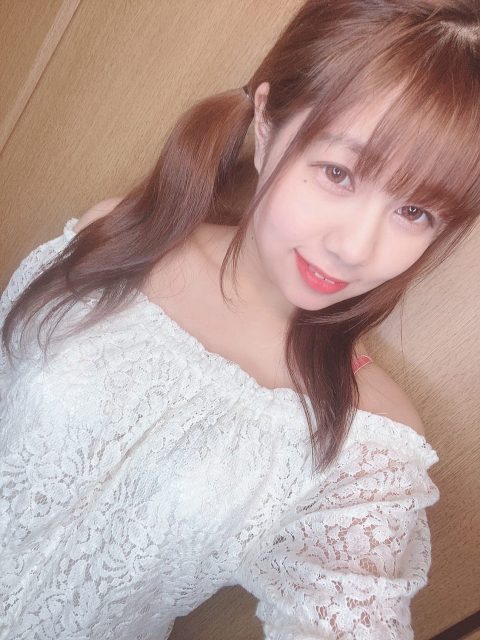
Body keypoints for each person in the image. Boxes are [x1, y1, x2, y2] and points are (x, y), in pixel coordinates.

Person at [1, 0, 479, 638]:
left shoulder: (365, 447)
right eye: (338, 173)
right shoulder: (120, 238)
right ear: (266, 121)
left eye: (415, 212)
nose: (355, 248)